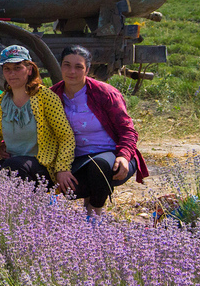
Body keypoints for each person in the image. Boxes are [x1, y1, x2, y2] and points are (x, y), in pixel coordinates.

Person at [51, 45, 148, 214]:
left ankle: (95, 214)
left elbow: (128, 131)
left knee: (99, 166)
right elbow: (36, 128)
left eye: (78, 67)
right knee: (67, 187)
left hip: (109, 155)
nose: (72, 71)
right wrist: (60, 168)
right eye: (67, 65)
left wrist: (124, 156)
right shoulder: (52, 95)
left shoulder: (105, 93)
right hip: (75, 158)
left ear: (87, 69)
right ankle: (88, 200)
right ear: (61, 66)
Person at [0, 45, 75, 186]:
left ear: (29, 70)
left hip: (41, 166)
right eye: (7, 69)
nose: (12, 74)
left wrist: (62, 168)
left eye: (17, 68)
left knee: (14, 166)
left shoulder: (46, 98)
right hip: (11, 163)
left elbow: (66, 136)